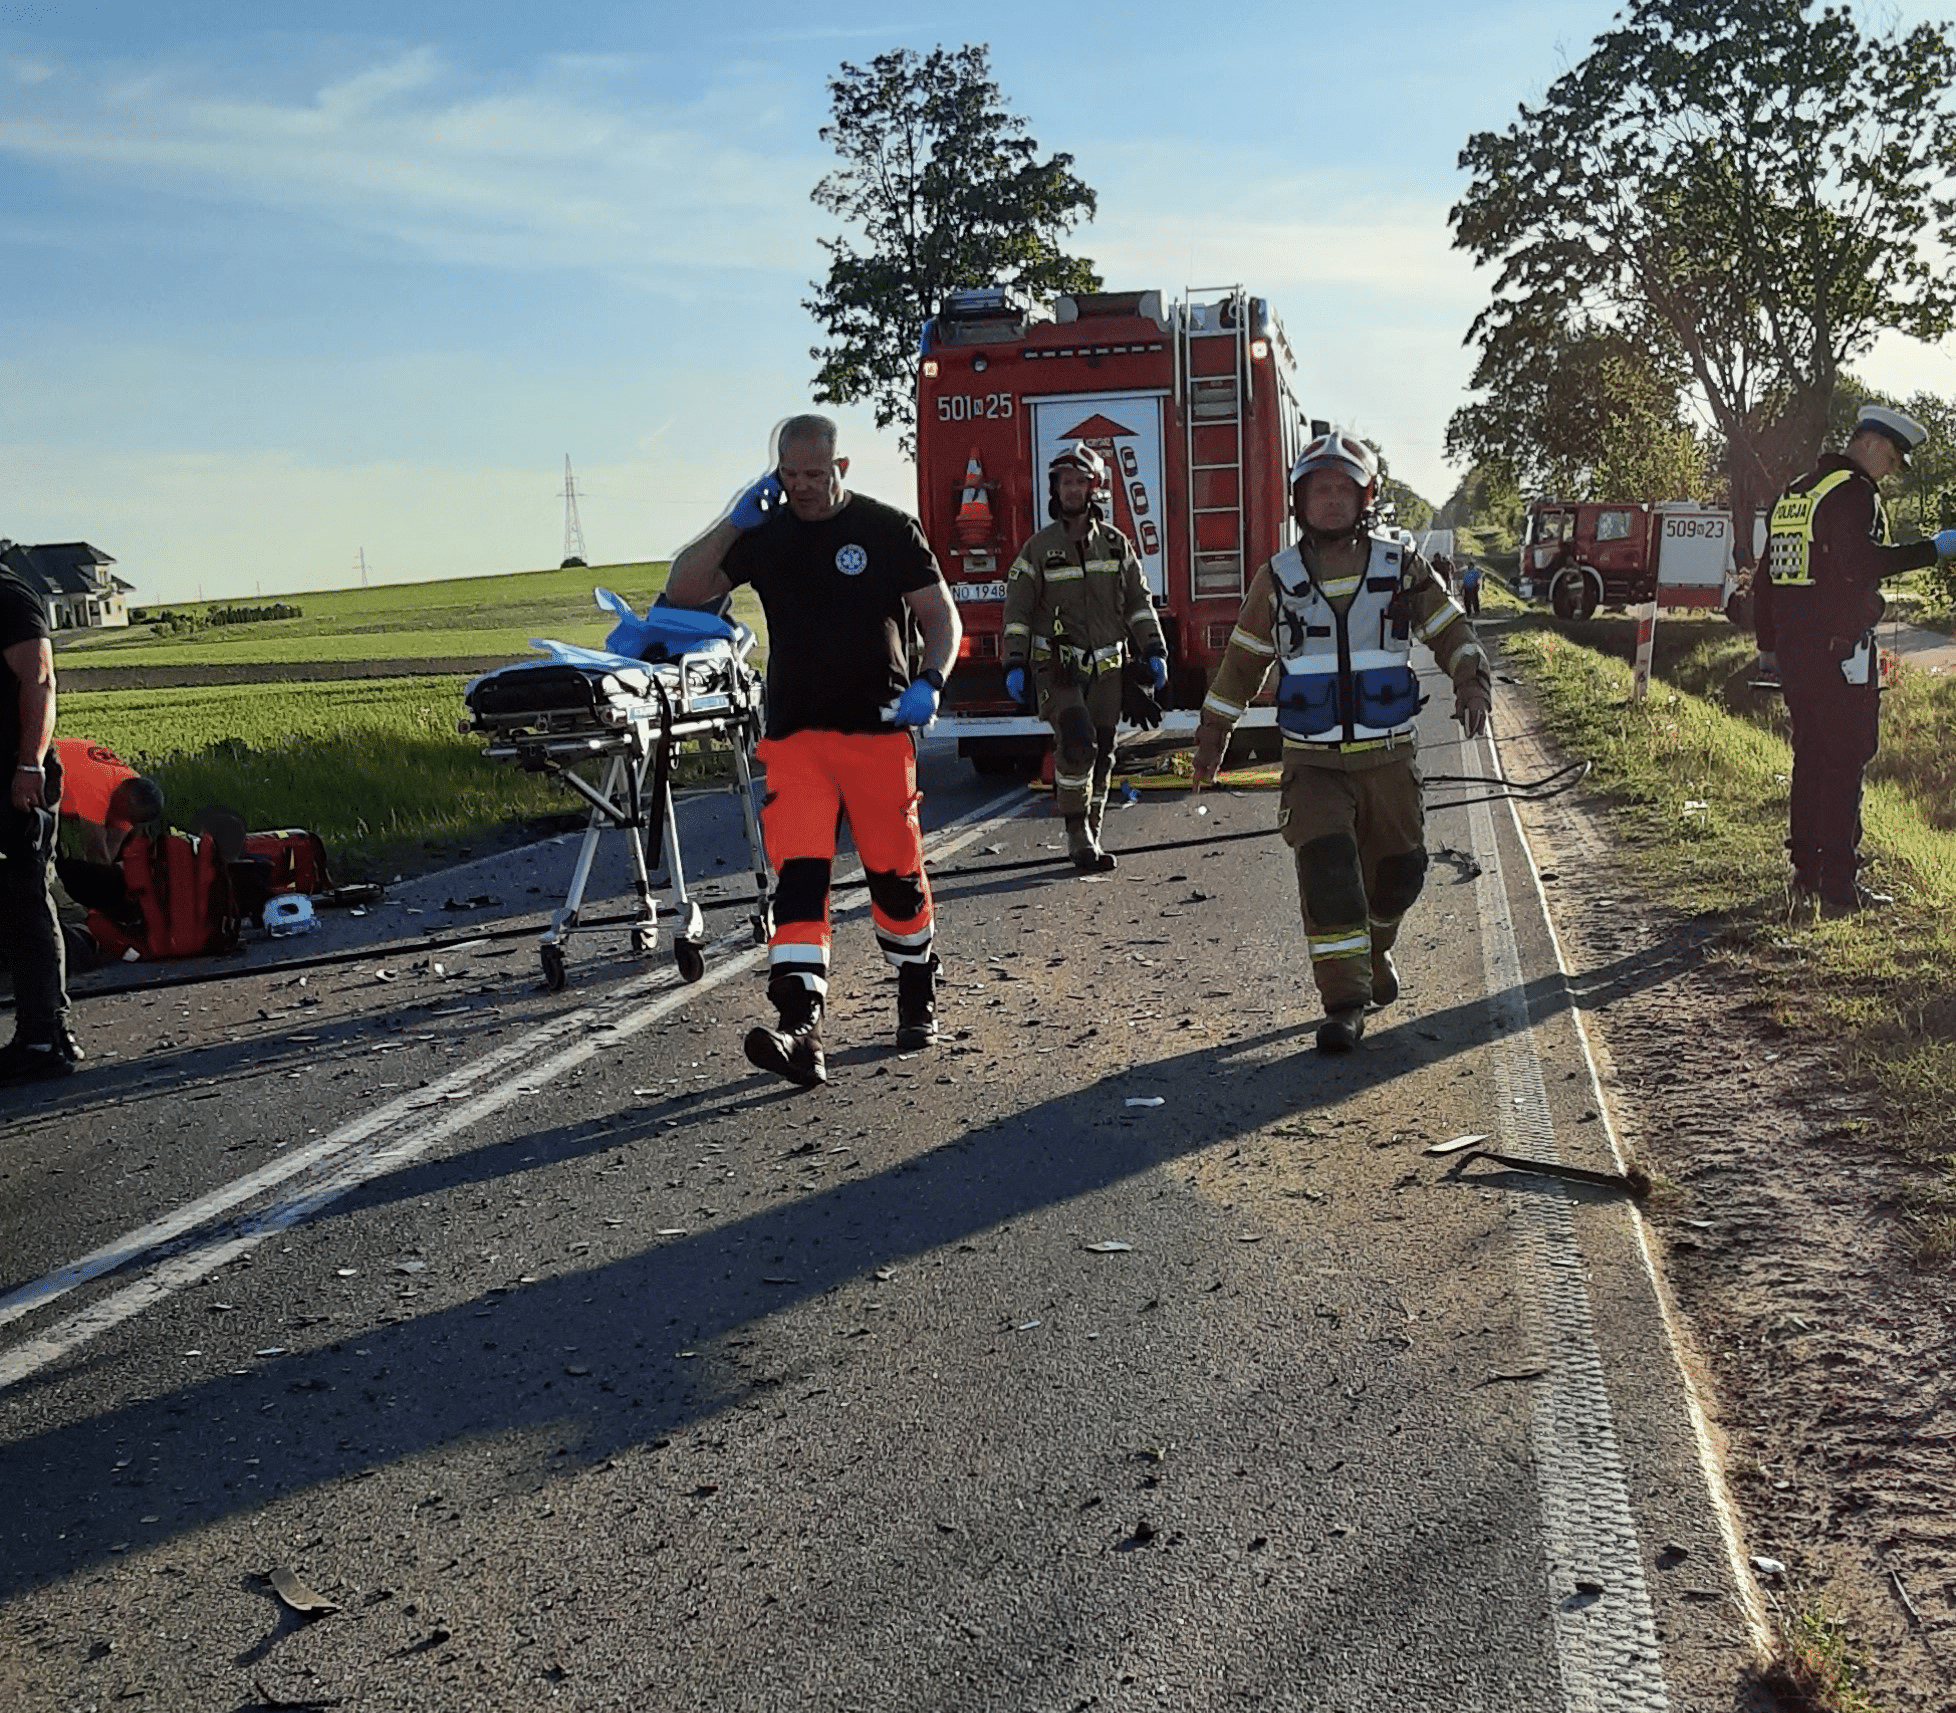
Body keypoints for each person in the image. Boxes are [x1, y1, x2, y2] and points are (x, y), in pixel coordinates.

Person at [665, 413, 961, 1088]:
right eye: (788, 475)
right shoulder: (766, 534)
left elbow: (941, 613)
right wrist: (735, 519)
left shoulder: (886, 529)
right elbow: (684, 588)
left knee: (894, 875)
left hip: (878, 732)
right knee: (799, 877)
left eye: (813, 475)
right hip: (797, 737)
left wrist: (933, 679)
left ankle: (916, 981)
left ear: (841, 468)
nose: (800, 488)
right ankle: (799, 1026)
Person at [1192, 431, 1491, 1053]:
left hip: (1390, 761)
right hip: (1313, 766)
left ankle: (1374, 951)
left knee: (1402, 872)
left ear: (1366, 497)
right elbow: (1242, 663)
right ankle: (1345, 1005)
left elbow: (1449, 629)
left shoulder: (1400, 566)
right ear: (1299, 500)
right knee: (1329, 874)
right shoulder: (1277, 578)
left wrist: (1471, 681)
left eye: (1342, 489)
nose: (1331, 500)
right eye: (1318, 489)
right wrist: (1213, 733)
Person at [1755, 404, 1956, 912]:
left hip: (1797, 652)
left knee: (1811, 757)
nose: (1892, 469)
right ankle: (1841, 888)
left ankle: (1807, 873)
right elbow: (1860, 561)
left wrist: (1767, 646)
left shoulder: (1797, 493)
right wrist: (1932, 551)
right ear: (1870, 442)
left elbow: (1765, 580)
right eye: (1892, 457)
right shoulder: (1852, 493)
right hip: (1838, 650)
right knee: (1845, 761)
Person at [1001, 443, 1168, 872]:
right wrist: (1015, 661)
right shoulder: (1037, 550)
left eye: (1080, 481)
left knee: (1105, 753)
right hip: (1058, 671)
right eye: (1064, 482)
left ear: (1095, 488)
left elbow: (1138, 602)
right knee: (1076, 747)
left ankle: (1092, 830)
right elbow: (1017, 612)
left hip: (1110, 672)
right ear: (1054, 488)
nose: (1072, 490)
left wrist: (1153, 649)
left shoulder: (1116, 546)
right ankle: (1078, 834)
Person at [0, 552, 78, 1082]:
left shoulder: (8, 596)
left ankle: (45, 1035)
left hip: (12, 779)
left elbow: (40, 679)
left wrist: (28, 766)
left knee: (23, 896)